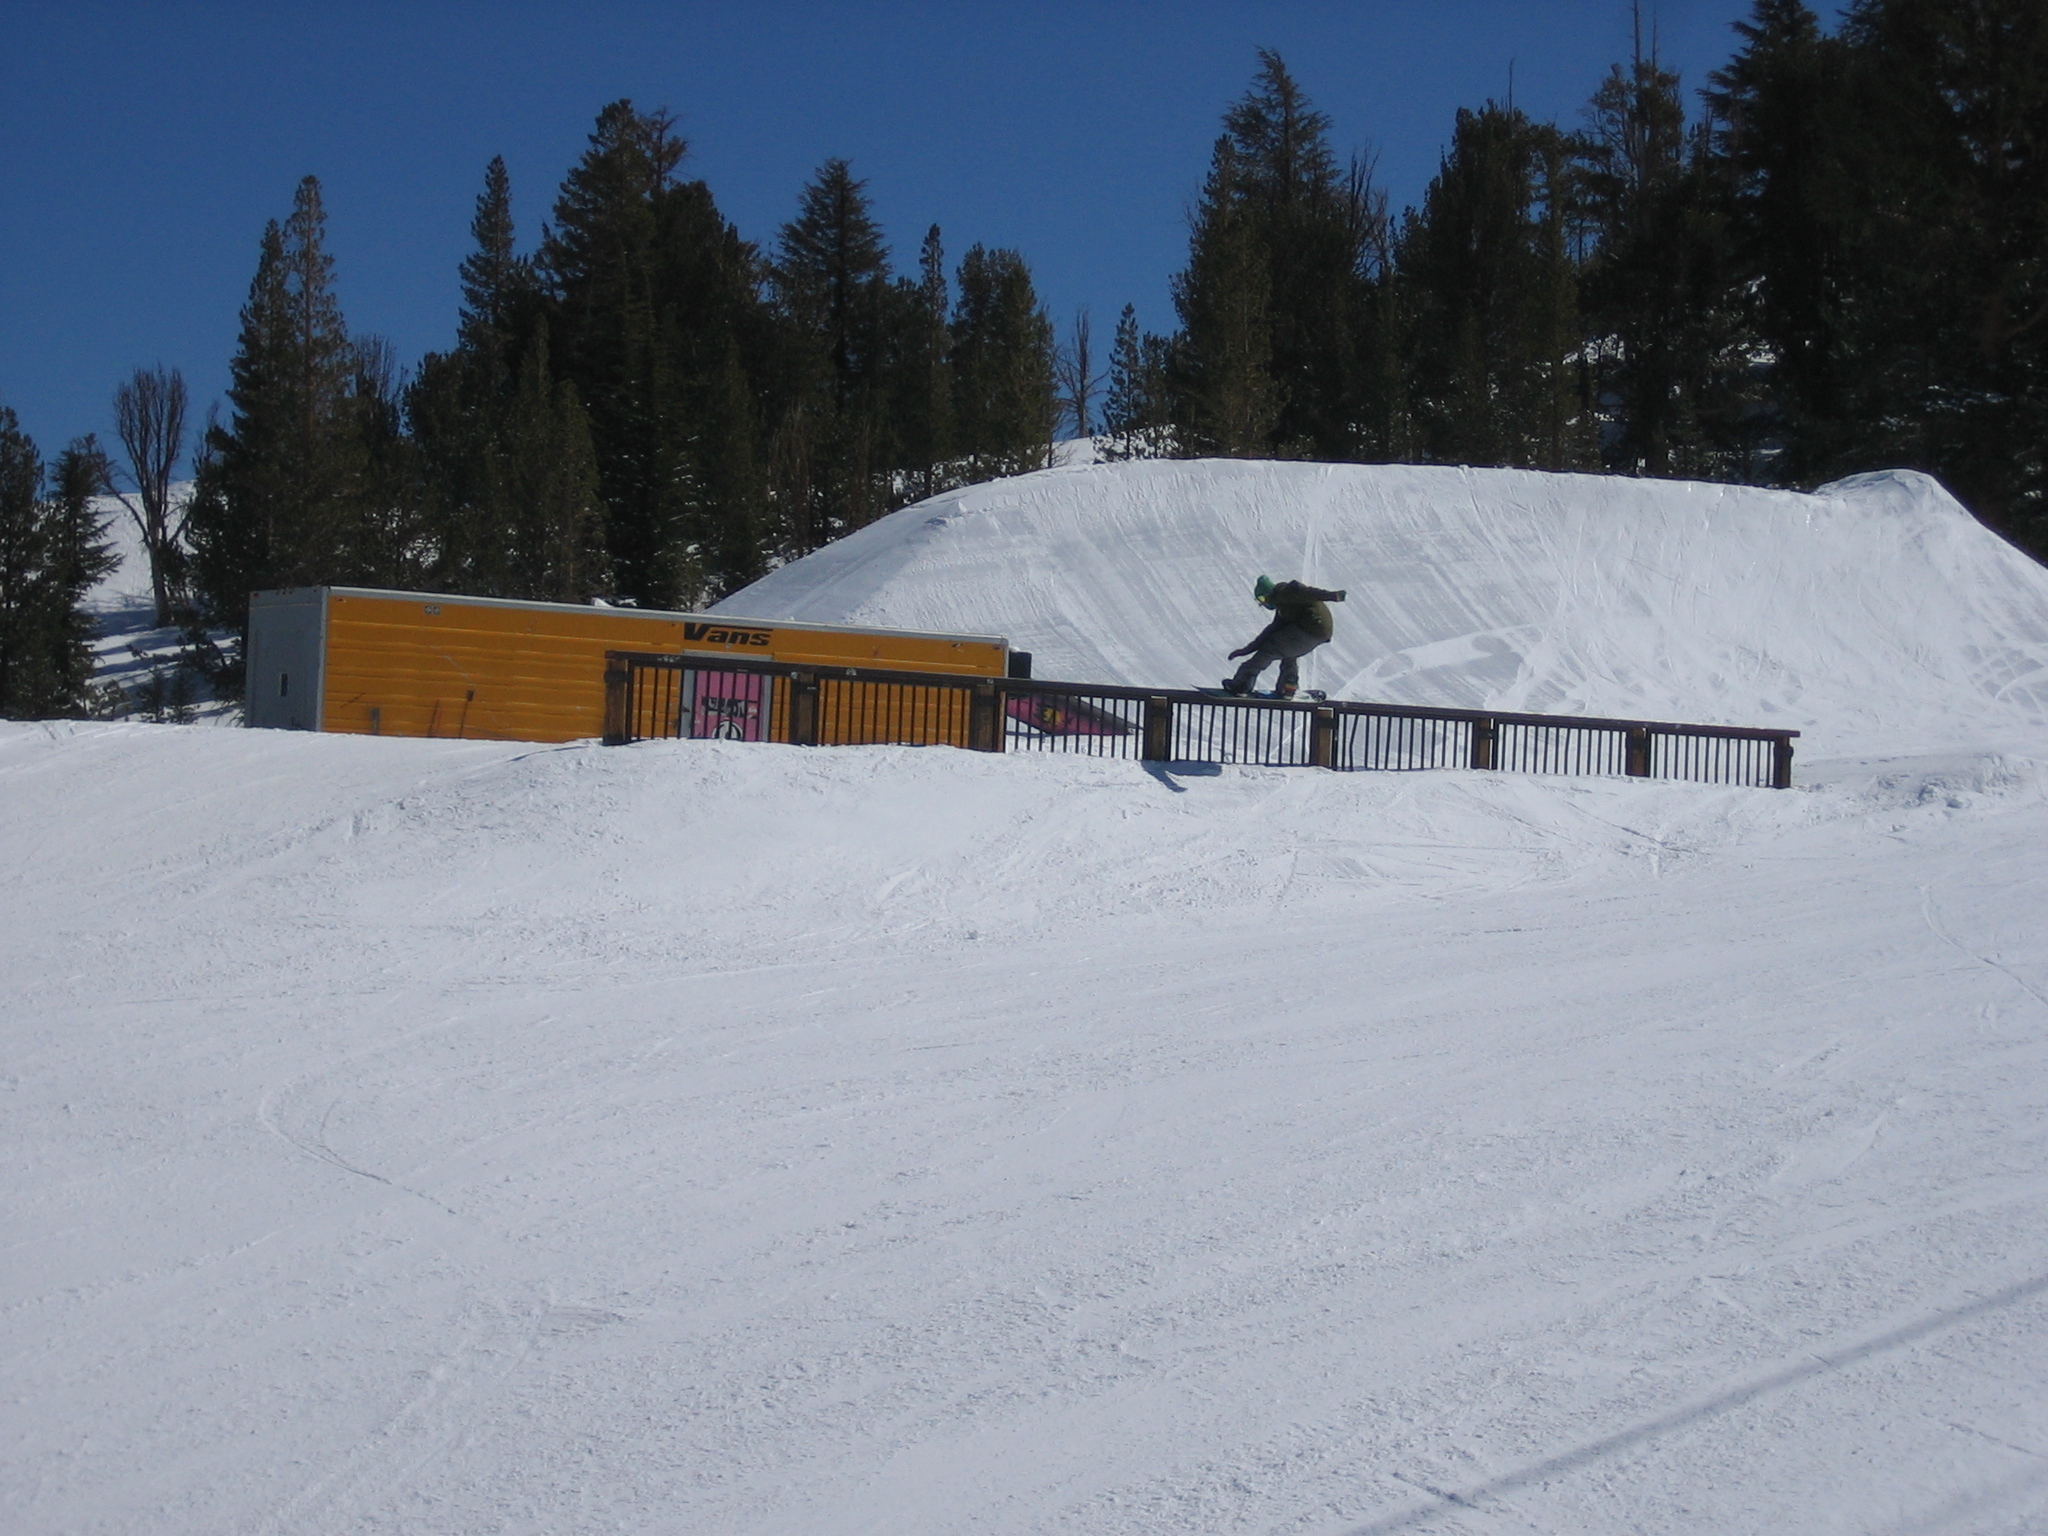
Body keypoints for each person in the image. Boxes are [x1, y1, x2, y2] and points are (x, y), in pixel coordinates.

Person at [1224, 575, 1346, 697]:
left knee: (1270, 649)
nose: (1264, 604)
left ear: (1268, 593)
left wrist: (1333, 596)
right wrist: (1245, 650)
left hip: (1310, 627)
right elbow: (1271, 631)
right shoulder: (1284, 606)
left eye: (1262, 599)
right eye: (1259, 602)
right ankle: (1288, 688)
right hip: (1317, 632)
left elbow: (1309, 592)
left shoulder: (1287, 592)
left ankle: (1241, 685)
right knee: (1287, 652)